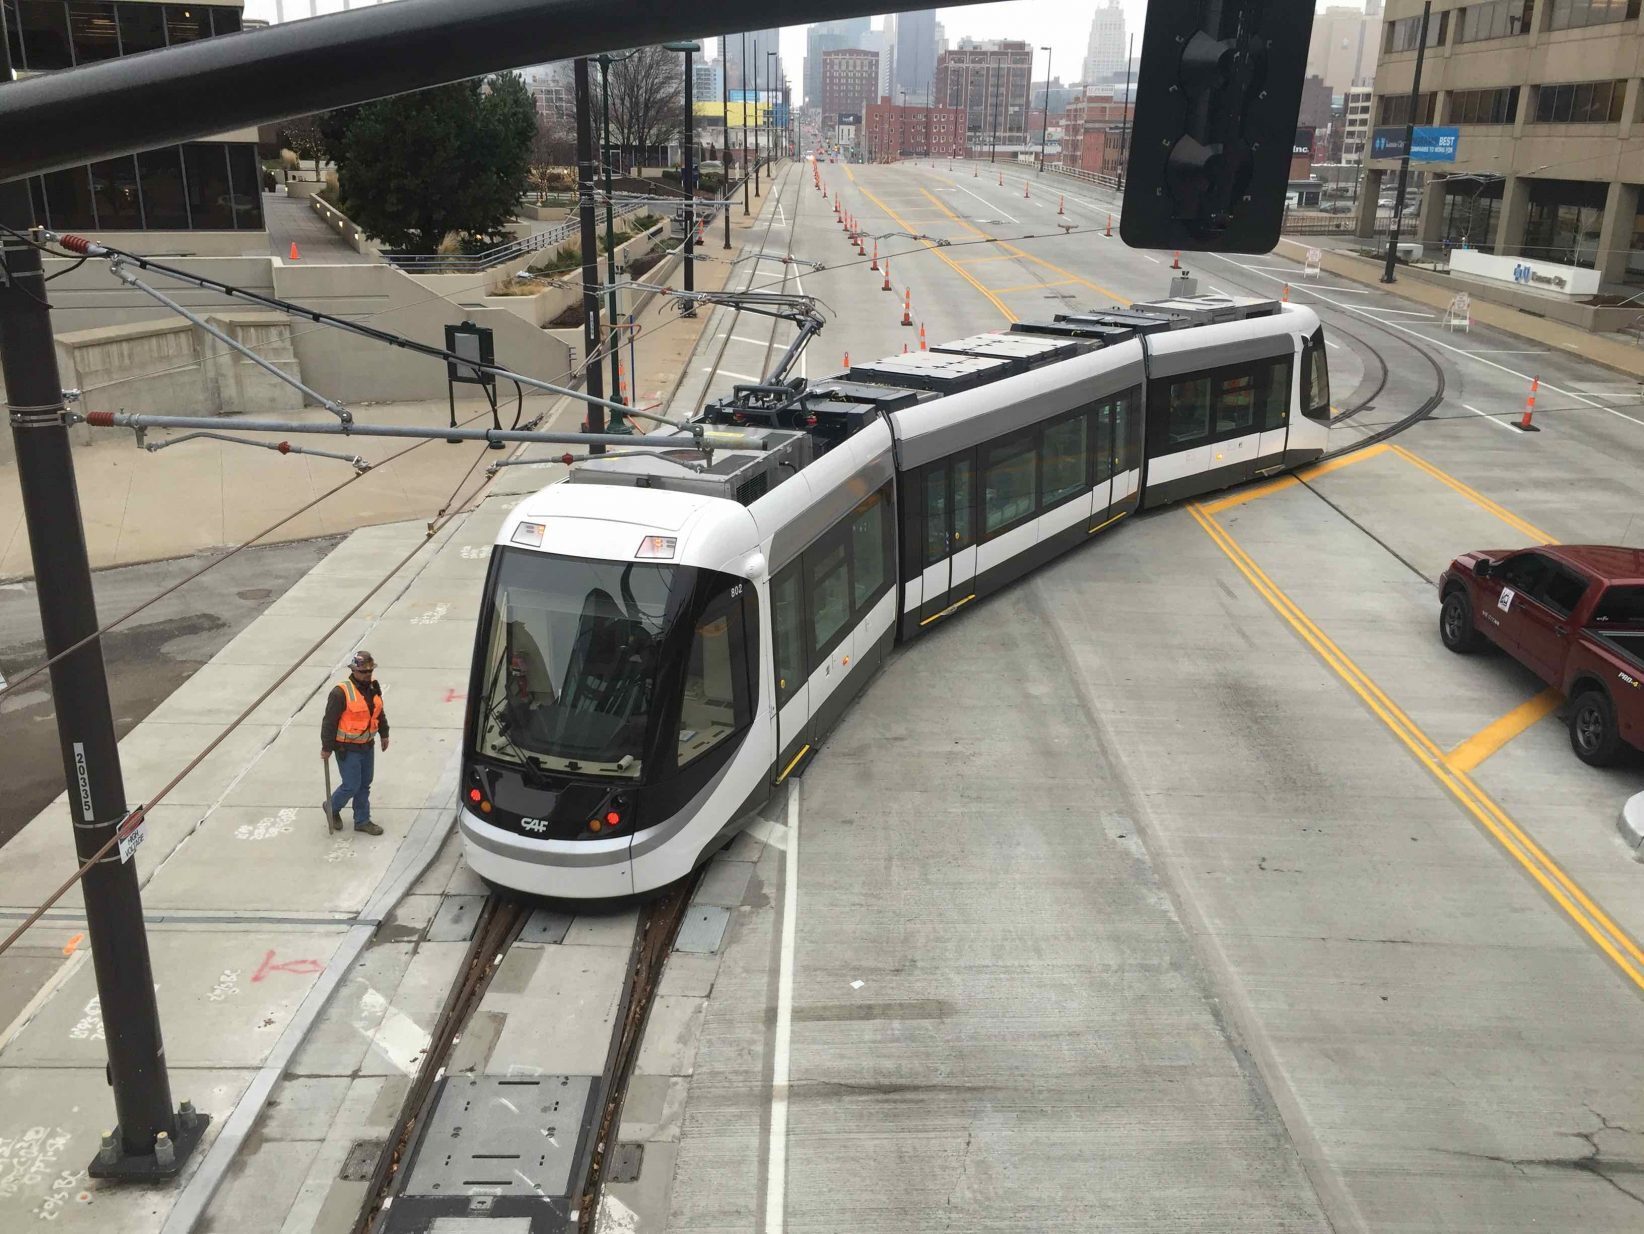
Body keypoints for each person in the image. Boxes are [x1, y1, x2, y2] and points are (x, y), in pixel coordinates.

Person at [322, 650, 389, 835]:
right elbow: (329, 722)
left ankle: (362, 820)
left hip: (367, 746)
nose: (367, 675)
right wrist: (327, 747)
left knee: (364, 784)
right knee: (351, 785)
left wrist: (384, 733)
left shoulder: (374, 688)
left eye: (370, 671)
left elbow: (378, 712)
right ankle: (331, 806)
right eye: (363, 672)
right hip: (347, 748)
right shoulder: (340, 693)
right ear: (354, 671)